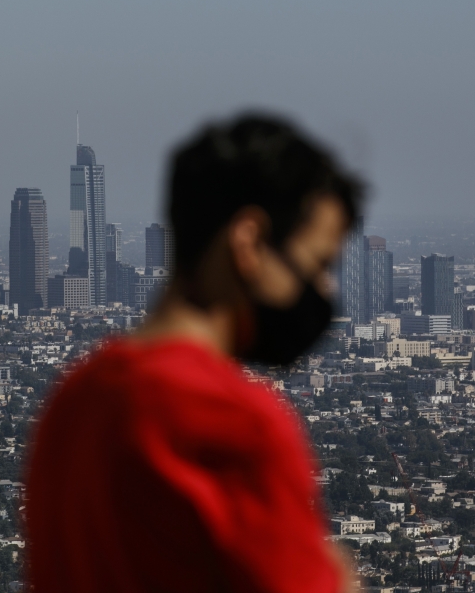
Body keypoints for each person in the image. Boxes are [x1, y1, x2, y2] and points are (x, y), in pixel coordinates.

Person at [25, 112, 364, 593]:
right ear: (249, 243)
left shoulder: (72, 403)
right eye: (316, 264)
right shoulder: (234, 422)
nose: (322, 289)